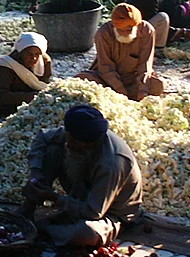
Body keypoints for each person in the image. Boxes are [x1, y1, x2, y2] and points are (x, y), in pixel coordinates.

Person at [22, 104, 142, 247]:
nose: (69, 145)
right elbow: (42, 138)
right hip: (81, 189)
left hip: (110, 212)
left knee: (87, 233)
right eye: (68, 139)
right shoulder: (75, 134)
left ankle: (44, 230)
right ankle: (27, 211)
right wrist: (36, 176)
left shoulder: (111, 164)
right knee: (53, 150)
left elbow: (93, 212)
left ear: (90, 144)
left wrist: (54, 197)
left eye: (75, 143)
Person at [77, 3, 164, 101]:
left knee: (157, 85)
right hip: (107, 80)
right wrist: (121, 92)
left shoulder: (147, 31)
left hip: (133, 79)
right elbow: (105, 68)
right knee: (82, 80)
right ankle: (118, 95)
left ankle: (125, 94)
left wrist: (142, 90)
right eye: (120, 30)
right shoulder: (103, 33)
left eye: (128, 29)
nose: (124, 33)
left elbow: (145, 65)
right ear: (114, 26)